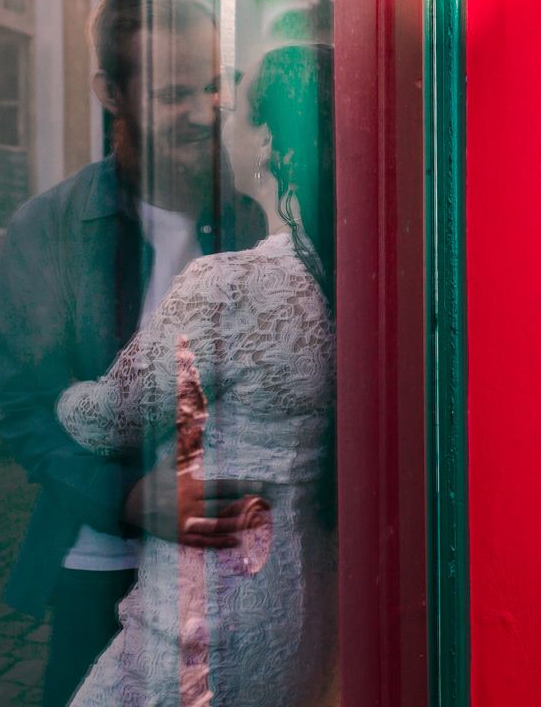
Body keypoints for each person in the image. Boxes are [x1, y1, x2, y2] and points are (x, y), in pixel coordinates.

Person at [0, 0, 267, 707]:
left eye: (216, 85)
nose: (205, 111)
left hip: (229, 564)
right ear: (111, 94)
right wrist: (131, 499)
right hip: (99, 565)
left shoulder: (250, 221)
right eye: (175, 93)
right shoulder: (47, 229)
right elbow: (28, 413)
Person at [60, 43, 338, 707]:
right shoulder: (347, 280)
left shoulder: (230, 284)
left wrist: (66, 390)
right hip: (301, 612)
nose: (218, 118)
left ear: (270, 141)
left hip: (200, 619)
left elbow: (109, 420)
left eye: (236, 110)